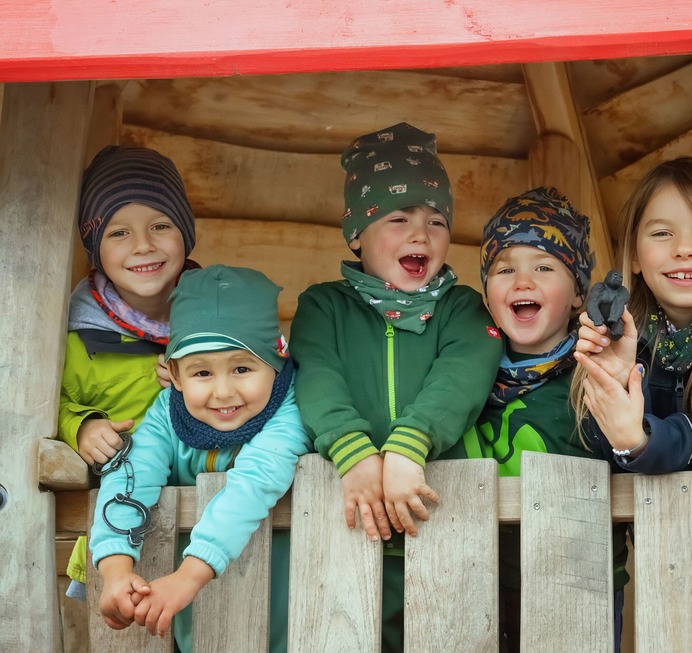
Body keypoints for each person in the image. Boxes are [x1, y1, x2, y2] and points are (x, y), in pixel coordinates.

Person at [290, 122, 502, 652]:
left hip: (445, 524)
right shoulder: (323, 306)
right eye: (398, 218)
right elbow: (317, 376)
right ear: (357, 234)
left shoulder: (464, 309)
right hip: (347, 528)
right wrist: (351, 450)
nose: (421, 233)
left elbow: (462, 375)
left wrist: (411, 443)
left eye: (436, 220)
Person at [91, 265, 311, 652]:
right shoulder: (166, 414)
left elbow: (254, 483)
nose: (223, 391)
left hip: (289, 615)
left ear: (276, 362)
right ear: (174, 375)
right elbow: (131, 476)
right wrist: (115, 566)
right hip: (194, 619)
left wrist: (188, 576)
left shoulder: (289, 412)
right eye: (202, 373)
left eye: (243, 368)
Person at [573, 156, 692, 653]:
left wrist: (642, 440)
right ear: (636, 257)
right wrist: (616, 375)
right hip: (659, 570)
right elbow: (590, 443)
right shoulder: (626, 338)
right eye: (662, 234)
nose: (684, 249)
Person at [462, 187, 630, 651]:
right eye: (504, 268)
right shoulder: (463, 375)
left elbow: (632, 451)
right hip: (478, 582)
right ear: (488, 294)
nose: (522, 282)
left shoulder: (593, 371)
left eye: (543, 267)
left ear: (579, 292)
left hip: (579, 582)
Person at [58, 145, 199, 601]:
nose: (144, 245)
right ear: (95, 248)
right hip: (125, 543)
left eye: (161, 225)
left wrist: (202, 379)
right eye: (119, 232)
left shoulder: (221, 315)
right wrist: (80, 426)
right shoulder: (77, 339)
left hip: (218, 526)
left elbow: (272, 378)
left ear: (186, 234)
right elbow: (39, 406)